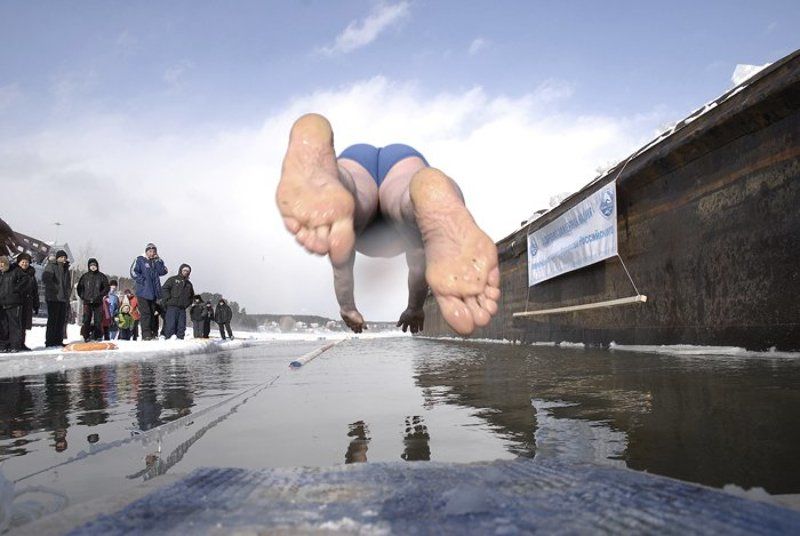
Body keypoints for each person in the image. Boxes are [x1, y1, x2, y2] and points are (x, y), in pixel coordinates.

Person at [275, 113, 500, 336]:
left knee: (355, 196)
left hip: (356, 159)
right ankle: (419, 193)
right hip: (403, 160)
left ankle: (340, 179)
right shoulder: (413, 236)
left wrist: (347, 307)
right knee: (404, 194)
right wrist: (415, 308)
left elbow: (341, 269)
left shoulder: (345, 233)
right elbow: (419, 266)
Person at [130, 243, 167, 341]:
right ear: (146, 251)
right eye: (150, 251)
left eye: (154, 251)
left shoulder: (155, 262)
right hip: (143, 292)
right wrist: (142, 280)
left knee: (152, 313)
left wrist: (158, 260)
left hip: (154, 293)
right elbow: (133, 272)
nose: (152, 253)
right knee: (146, 313)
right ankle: (146, 334)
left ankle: (153, 333)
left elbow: (163, 271)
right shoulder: (140, 259)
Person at [42, 250, 72, 347]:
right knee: (52, 320)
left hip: (63, 298)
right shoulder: (51, 266)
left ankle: (58, 340)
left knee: (61, 321)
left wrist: (68, 295)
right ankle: (50, 341)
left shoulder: (66, 269)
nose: (64, 259)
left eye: (65, 257)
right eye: (62, 257)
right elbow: (46, 278)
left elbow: (67, 284)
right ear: (58, 257)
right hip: (53, 298)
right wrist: (54, 289)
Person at [76, 258, 110, 342]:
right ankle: (85, 336)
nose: (93, 267)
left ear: (97, 266)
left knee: (98, 320)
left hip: (98, 302)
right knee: (86, 319)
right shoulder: (85, 276)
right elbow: (79, 288)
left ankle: (98, 336)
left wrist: (101, 295)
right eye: (91, 265)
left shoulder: (101, 276)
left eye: (94, 265)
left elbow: (106, 287)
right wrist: (82, 296)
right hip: (87, 302)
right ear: (89, 266)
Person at [161, 264, 194, 339]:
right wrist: (168, 299)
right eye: (184, 270)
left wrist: (186, 304)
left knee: (181, 326)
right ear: (181, 270)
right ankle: (169, 339)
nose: (186, 272)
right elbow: (165, 289)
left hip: (182, 308)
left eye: (187, 271)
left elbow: (191, 296)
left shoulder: (189, 284)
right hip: (172, 306)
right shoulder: (172, 279)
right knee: (170, 325)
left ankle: (180, 340)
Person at [15, 253, 39, 351]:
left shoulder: (31, 275)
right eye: (23, 262)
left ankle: (22, 343)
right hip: (17, 301)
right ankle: (15, 343)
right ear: (19, 262)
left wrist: (36, 304)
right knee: (16, 324)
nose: (25, 264)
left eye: (27, 262)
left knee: (24, 324)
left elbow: (35, 291)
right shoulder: (15, 272)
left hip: (28, 301)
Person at [0, 256, 24, 352]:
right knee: (3, 326)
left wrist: (16, 290)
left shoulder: (15, 271)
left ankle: (15, 346)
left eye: (3, 263)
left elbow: (26, 281)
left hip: (14, 302)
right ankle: (3, 346)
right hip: (1, 303)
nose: (1, 265)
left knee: (14, 325)